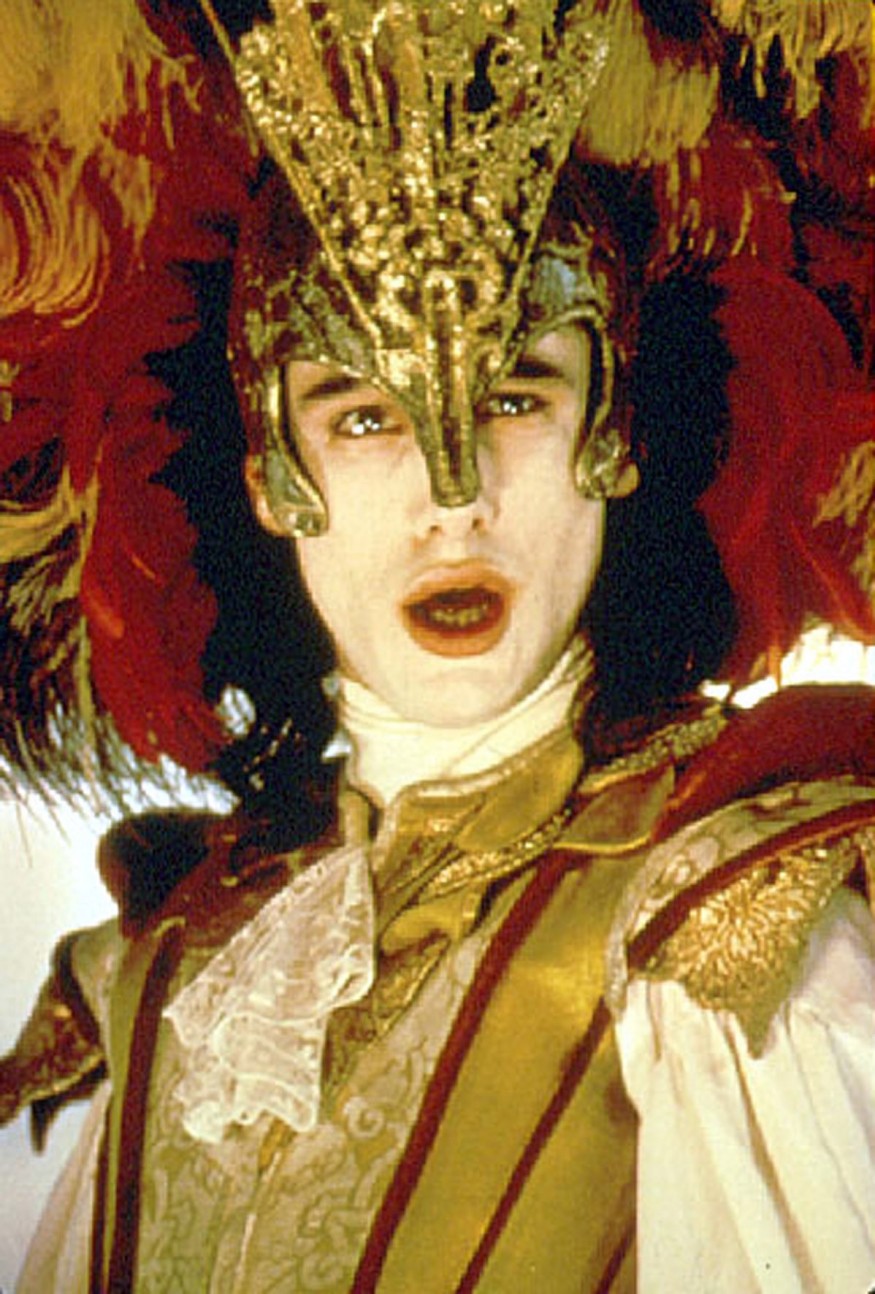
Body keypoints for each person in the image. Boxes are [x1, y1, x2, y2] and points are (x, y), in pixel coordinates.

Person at [1, 0, 874, 1289]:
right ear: (271, 469)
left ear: (611, 432)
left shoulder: (731, 926)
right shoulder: (170, 960)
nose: (452, 502)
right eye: (362, 417)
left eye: (517, 396)